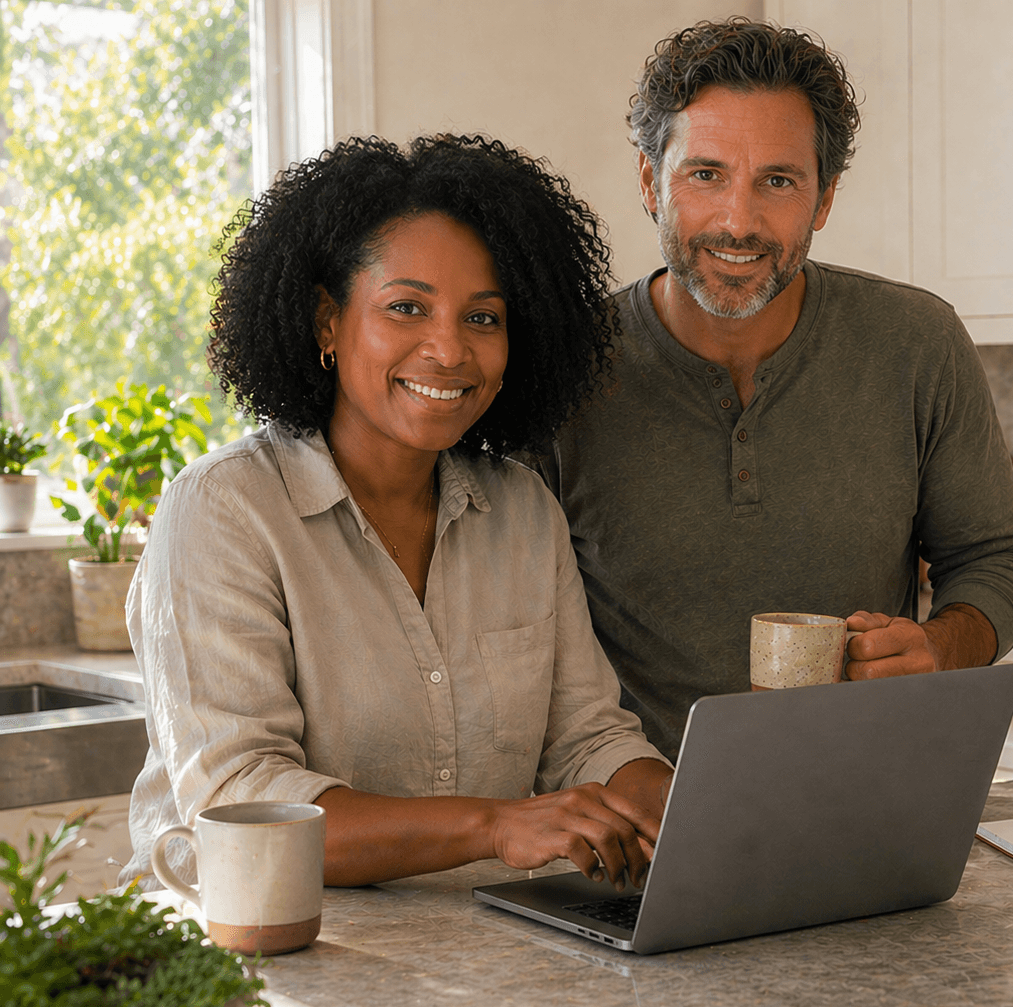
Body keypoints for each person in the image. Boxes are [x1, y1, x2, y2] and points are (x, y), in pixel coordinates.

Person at [121, 134, 673, 893]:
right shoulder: (222, 508)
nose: (448, 350)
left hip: (475, 943)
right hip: (256, 952)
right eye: (406, 308)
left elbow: (586, 739)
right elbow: (240, 801)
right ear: (326, 323)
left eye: (484, 318)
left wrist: (685, 807)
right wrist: (495, 825)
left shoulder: (523, 511)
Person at [534, 19, 1013, 759]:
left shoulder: (918, 343)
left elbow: (1001, 559)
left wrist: (941, 647)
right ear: (651, 182)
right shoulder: (565, 370)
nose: (739, 223)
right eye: (705, 174)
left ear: (824, 200)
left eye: (778, 181)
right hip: (637, 827)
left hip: (865, 810)